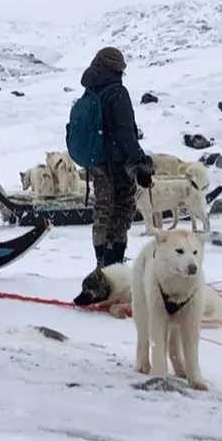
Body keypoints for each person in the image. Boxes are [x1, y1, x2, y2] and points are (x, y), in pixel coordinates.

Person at [71, 46, 152, 304]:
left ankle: (100, 268)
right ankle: (114, 270)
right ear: (118, 68)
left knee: (103, 210)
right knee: (122, 211)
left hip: (96, 162)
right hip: (117, 164)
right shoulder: (117, 92)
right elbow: (125, 132)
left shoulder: (91, 88)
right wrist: (141, 165)